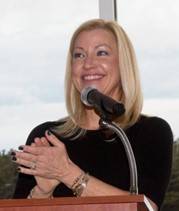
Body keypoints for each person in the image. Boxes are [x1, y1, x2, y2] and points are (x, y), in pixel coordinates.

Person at [12, 19, 173, 210]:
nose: (88, 64)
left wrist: (68, 173)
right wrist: (43, 192)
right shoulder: (47, 137)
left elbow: (145, 208)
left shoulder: (152, 132)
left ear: (123, 63)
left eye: (101, 52)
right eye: (79, 55)